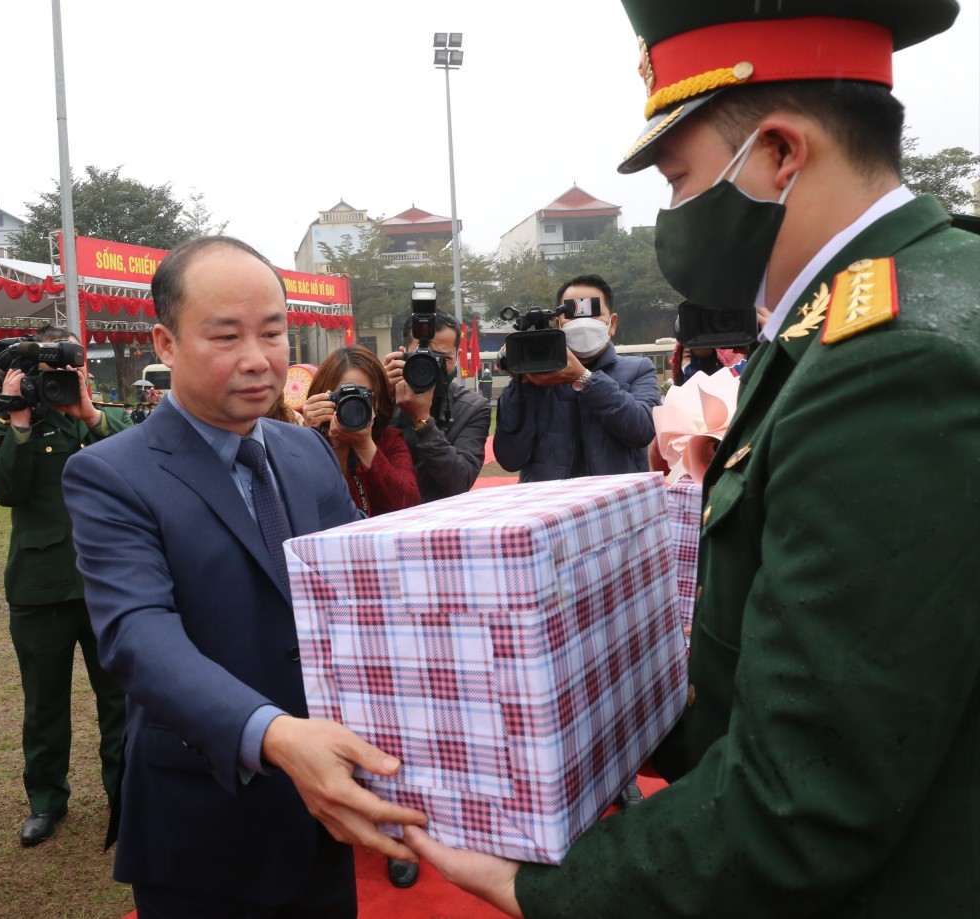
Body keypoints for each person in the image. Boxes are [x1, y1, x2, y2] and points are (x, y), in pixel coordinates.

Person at [403, 2, 980, 917]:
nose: (671, 215)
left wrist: (544, 889)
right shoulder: (882, 306)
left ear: (781, 155)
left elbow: (805, 796)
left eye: (678, 179)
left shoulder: (888, 358)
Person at [61, 236, 426, 917]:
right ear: (166, 344)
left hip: (322, 814)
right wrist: (274, 734)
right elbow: (138, 635)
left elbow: (362, 581)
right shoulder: (111, 474)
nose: (258, 359)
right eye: (226, 336)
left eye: (273, 332)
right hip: (205, 820)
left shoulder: (306, 450)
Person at [0, 324, 129, 848]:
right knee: (44, 706)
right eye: (49, 376)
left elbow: (136, 467)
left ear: (83, 369)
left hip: (106, 585)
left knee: (119, 702)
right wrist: (18, 418)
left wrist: (88, 414)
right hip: (40, 587)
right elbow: (3, 491)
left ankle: (127, 798)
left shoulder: (101, 418)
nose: (60, 383)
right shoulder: (13, 421)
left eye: (69, 371)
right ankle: (46, 801)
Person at [492, 274, 661, 481]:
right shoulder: (536, 377)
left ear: (612, 323)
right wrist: (520, 385)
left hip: (613, 503)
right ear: (558, 323)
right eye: (572, 314)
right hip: (551, 506)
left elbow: (642, 431)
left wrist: (584, 378)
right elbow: (510, 458)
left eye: (593, 314)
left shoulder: (639, 368)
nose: (583, 323)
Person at [383, 311, 490, 503]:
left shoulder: (472, 407)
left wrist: (422, 421)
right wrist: (378, 398)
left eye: (443, 359)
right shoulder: (381, 398)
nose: (432, 366)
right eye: (422, 357)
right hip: (384, 517)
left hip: (441, 522)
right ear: (402, 353)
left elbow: (460, 481)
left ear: (457, 357)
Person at [303, 345, 420, 516]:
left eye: (365, 396)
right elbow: (304, 505)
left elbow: (409, 504)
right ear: (324, 397)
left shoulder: (389, 441)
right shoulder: (302, 444)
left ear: (379, 401)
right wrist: (312, 437)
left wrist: (365, 447)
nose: (354, 406)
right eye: (344, 397)